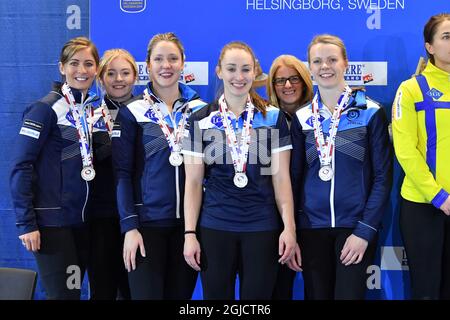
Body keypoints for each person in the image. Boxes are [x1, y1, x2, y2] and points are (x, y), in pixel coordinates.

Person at [182, 41, 297, 300]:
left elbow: (281, 179)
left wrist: (289, 228)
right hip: (215, 227)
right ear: (219, 71)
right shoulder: (200, 119)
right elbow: (193, 182)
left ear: (255, 72)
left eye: (246, 69)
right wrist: (190, 233)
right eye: (231, 69)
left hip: (262, 228)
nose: (239, 76)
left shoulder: (272, 117)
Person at [290, 34, 392, 299]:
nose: (325, 66)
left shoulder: (371, 112)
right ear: (310, 67)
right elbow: (293, 178)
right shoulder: (302, 118)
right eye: (318, 61)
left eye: (332, 59)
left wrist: (365, 230)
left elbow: (382, 177)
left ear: (345, 63)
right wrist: (294, 228)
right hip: (311, 230)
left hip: (355, 229)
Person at [111, 32, 206, 300]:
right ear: (148, 65)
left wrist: (194, 229)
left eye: (173, 58)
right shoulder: (133, 112)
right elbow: (122, 175)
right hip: (146, 226)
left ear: (183, 63)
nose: (167, 65)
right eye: (159, 59)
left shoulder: (201, 111)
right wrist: (129, 227)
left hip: (189, 228)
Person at [10, 37, 100, 299]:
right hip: (51, 224)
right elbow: (20, 165)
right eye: (74, 63)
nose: (81, 71)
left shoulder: (90, 111)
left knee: (72, 293)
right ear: (61, 68)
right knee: (64, 296)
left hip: (80, 223)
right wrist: (26, 223)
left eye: (88, 64)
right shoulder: (44, 109)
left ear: (96, 69)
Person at [392, 13, 450, 299]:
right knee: (426, 291)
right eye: (446, 37)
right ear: (429, 46)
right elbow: (405, 151)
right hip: (423, 206)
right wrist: (439, 197)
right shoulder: (411, 89)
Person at [85, 48, 138, 299]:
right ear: (101, 78)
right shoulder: (88, 115)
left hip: (139, 216)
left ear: (136, 77)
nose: (119, 79)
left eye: (125, 73)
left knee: (134, 291)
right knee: (103, 290)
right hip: (101, 217)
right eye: (112, 73)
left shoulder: (148, 113)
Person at [266, 54, 313, 299]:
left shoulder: (321, 117)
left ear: (305, 81)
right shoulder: (263, 120)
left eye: (294, 79)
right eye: (280, 80)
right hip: (275, 221)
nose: (287, 86)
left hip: (314, 219)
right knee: (277, 289)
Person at [267, 54, 313, 123]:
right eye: (280, 80)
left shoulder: (320, 114)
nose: (288, 85)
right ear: (273, 86)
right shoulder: (264, 119)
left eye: (294, 79)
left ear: (304, 83)